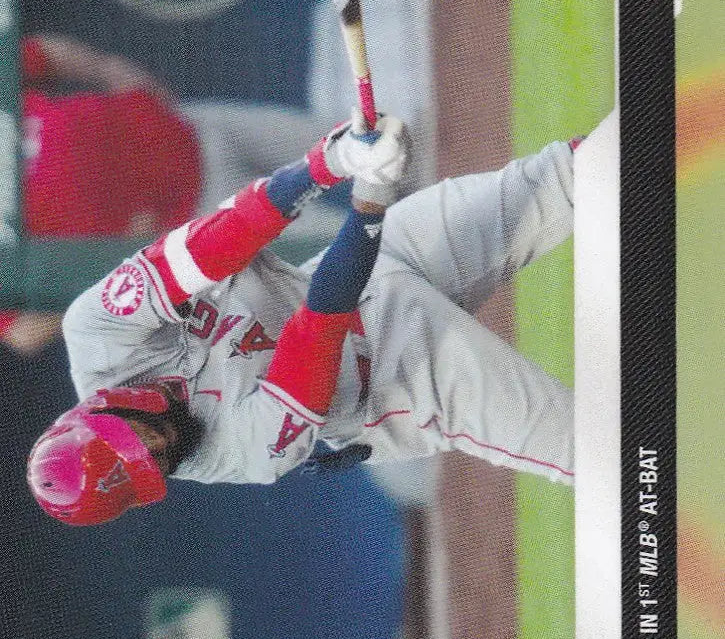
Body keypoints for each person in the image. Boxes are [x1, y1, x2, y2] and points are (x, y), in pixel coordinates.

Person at [27, 112, 577, 525]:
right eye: (150, 466)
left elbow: (217, 240)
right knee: (593, 449)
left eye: (135, 443)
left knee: (564, 177)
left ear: (100, 411)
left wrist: (332, 161)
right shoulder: (237, 457)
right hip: (396, 381)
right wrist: (372, 195)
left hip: (385, 263)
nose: (156, 449)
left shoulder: (97, 331)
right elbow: (322, 321)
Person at [0, 34, 202, 355]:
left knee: (312, 140)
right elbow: (24, 333)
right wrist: (116, 267)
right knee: (307, 244)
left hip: (186, 129)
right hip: (193, 222)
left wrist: (111, 70)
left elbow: (42, 52)